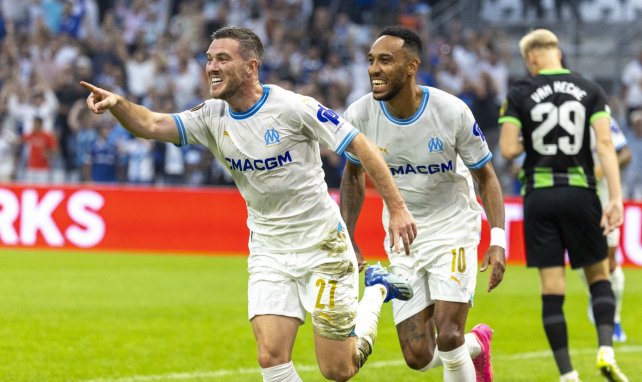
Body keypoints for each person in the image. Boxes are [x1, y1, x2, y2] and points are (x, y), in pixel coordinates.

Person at [81, 26, 418, 382]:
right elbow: (150, 123)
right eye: (209, 59)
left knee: (338, 369)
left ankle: (378, 288)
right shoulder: (211, 116)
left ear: (251, 67)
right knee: (270, 357)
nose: (212, 67)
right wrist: (118, 104)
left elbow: (361, 145)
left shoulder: (292, 108)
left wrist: (396, 207)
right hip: (268, 250)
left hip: (322, 247)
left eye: (223, 59)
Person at [340, 26, 506, 382]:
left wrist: (497, 239)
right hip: (405, 238)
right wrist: (348, 237)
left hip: (453, 228)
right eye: (371, 61)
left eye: (386, 60)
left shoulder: (451, 112)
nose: (374, 69)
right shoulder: (360, 115)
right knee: (418, 356)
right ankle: (478, 344)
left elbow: (486, 177)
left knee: (448, 336)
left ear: (411, 66)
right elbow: (352, 176)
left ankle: (463, 342)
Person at [498, 29, 628, 382]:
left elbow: (508, 150)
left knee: (552, 288)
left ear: (531, 58)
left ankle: (568, 374)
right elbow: (605, 143)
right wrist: (615, 199)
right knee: (599, 275)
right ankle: (605, 349)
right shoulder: (591, 90)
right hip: (580, 192)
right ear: (556, 51)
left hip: (539, 196)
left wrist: (533, 133)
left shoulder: (520, 92)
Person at [579, 118, 631, 342]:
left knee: (609, 262)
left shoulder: (603, 116)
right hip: (576, 198)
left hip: (605, 199)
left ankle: (614, 318)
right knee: (582, 258)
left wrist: (603, 169)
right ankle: (596, 293)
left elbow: (625, 153)